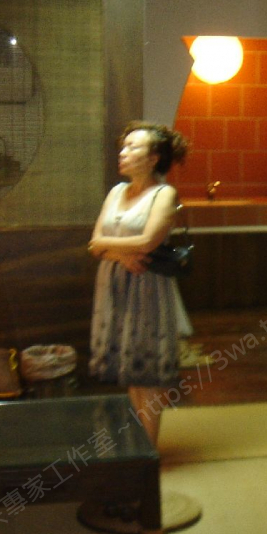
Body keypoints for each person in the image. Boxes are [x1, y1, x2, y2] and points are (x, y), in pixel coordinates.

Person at [88, 120, 189, 445]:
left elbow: (147, 242)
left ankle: (150, 450)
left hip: (147, 289)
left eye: (133, 147)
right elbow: (93, 246)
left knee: (149, 376)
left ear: (153, 158)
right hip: (114, 286)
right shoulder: (116, 192)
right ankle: (141, 444)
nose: (123, 152)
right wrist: (119, 256)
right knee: (131, 372)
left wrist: (108, 247)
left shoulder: (164, 193)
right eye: (124, 146)